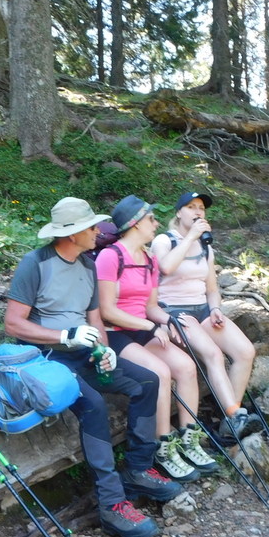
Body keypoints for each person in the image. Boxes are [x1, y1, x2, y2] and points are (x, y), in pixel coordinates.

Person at [4, 196, 183, 537]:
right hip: (48, 358)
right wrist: (63, 336)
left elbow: (95, 317)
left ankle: (139, 469)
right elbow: (13, 324)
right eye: (90, 227)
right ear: (71, 234)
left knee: (147, 381)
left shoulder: (88, 264)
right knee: (94, 405)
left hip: (84, 353)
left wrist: (104, 349)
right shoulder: (35, 264)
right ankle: (111, 504)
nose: (98, 231)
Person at [95, 195, 220, 482]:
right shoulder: (110, 256)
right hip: (115, 333)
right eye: (151, 219)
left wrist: (169, 320)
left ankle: (189, 438)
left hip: (141, 327)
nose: (156, 224)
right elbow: (107, 310)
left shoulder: (149, 258)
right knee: (161, 372)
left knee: (186, 367)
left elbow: (151, 307)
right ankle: (164, 446)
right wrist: (151, 327)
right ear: (135, 224)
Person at [151, 191, 259, 441]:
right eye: (191, 207)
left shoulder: (206, 248)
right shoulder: (164, 241)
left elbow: (212, 289)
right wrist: (191, 236)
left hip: (202, 309)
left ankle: (232, 419)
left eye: (201, 208)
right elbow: (165, 267)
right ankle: (235, 415)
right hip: (172, 310)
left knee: (245, 352)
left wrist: (215, 309)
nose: (198, 212)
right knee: (213, 354)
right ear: (179, 212)